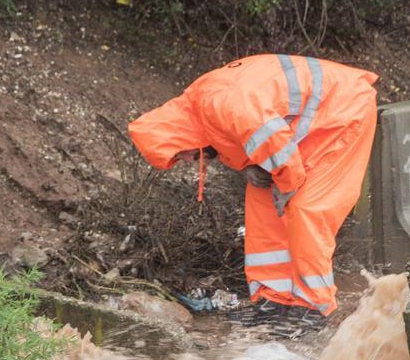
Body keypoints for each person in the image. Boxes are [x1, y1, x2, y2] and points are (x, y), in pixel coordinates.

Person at [128, 54, 379, 333]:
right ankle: (275, 299)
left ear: (179, 136)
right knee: (262, 204)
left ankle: (312, 308)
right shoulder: (200, 109)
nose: (189, 160)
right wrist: (248, 166)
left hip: (343, 109)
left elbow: (273, 143)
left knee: (307, 208)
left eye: (182, 155)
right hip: (307, 121)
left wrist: (288, 185)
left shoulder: (224, 104)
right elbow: (237, 135)